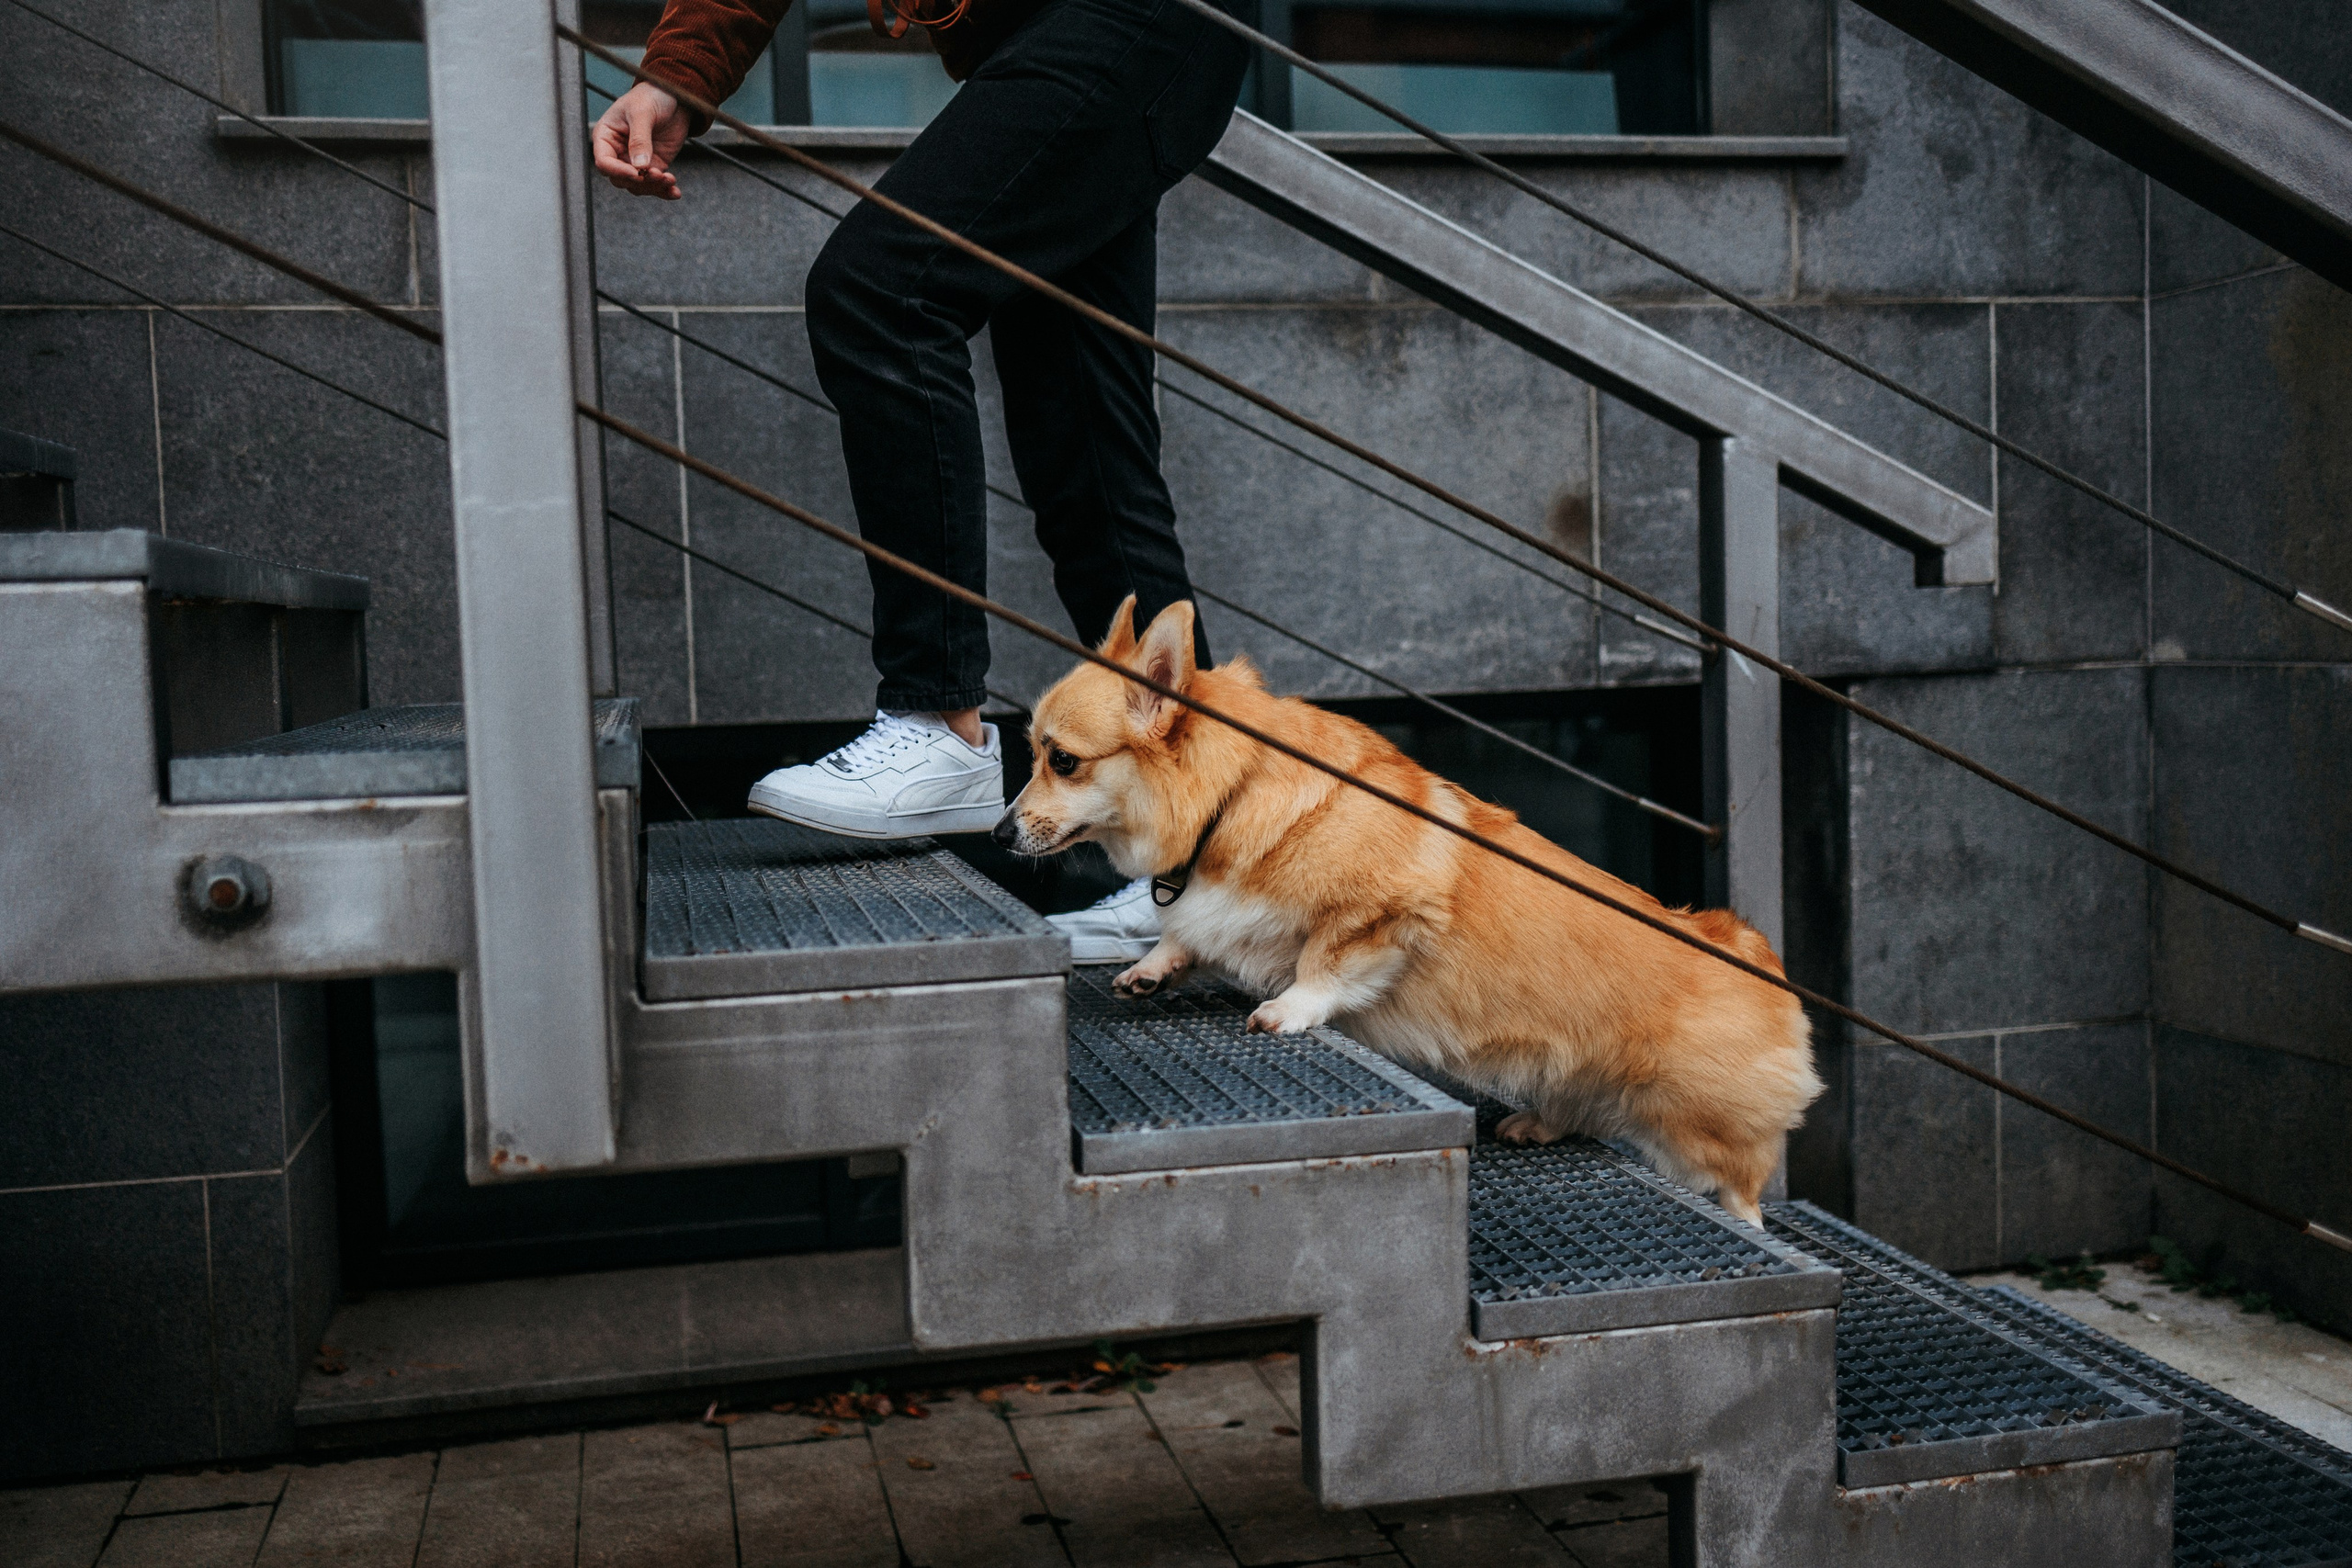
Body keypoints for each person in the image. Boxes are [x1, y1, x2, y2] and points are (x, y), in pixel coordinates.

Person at [592, 0, 1242, 957]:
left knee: (882, 288)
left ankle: (940, 719)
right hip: (1083, 37)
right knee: (1087, 450)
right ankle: (1216, 875)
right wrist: (678, 72)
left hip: (1125, 22)